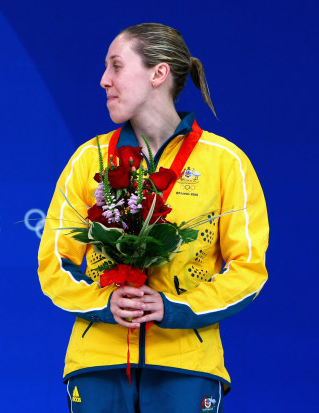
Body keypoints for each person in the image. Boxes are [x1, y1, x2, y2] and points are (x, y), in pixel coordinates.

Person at [38, 23, 268, 413]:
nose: (103, 80)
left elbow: (248, 270)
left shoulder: (225, 162)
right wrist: (103, 302)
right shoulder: (87, 160)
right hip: (97, 363)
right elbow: (54, 264)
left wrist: (175, 308)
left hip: (186, 365)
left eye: (115, 66)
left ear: (158, 73)